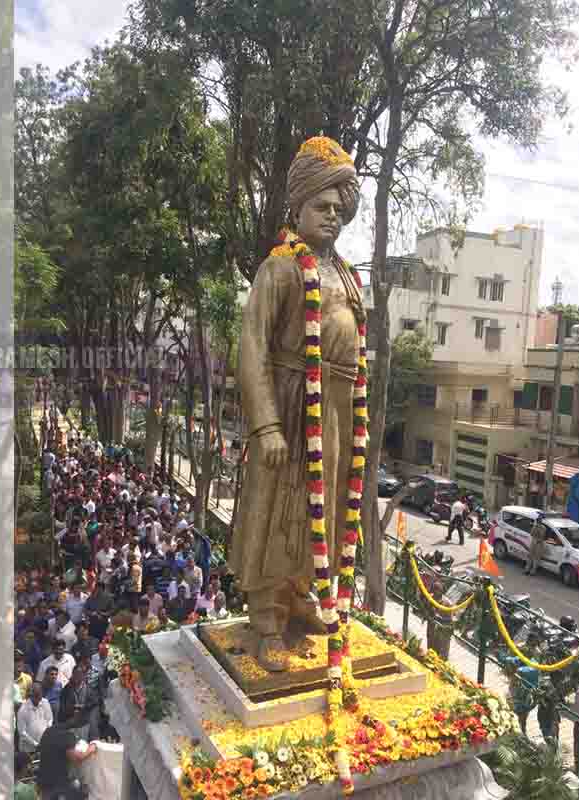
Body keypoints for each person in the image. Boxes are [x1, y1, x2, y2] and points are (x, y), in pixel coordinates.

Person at [230, 136, 368, 671]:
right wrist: (266, 425)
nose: (332, 216)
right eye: (321, 206)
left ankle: (302, 597)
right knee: (279, 513)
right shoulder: (281, 267)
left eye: (338, 209)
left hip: (338, 409)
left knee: (324, 512)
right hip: (292, 406)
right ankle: (266, 619)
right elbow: (252, 348)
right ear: (298, 208)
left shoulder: (346, 274)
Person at [36, 721, 98, 800]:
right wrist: (90, 749)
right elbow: (77, 758)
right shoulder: (66, 735)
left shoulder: (48, 731)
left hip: (44, 780)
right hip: (56, 784)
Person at [17, 682, 53, 753]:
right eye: (36, 696)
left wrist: (47, 732)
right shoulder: (23, 709)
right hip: (28, 749)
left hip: (43, 744)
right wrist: (35, 744)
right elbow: (22, 732)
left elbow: (50, 719)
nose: (38, 699)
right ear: (31, 695)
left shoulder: (45, 702)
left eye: (39, 696)